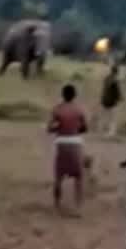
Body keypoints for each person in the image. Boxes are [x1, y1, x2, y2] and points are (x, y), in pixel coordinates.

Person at [48, 84, 88, 217]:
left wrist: (59, 127)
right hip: (75, 143)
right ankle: (79, 208)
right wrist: (75, 128)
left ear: (62, 95)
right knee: (79, 177)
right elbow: (84, 128)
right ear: (74, 95)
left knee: (58, 177)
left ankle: (57, 205)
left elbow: (50, 128)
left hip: (62, 144)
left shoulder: (57, 109)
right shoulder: (79, 110)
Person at [97, 64, 122, 137]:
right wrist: (120, 98)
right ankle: (110, 133)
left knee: (103, 116)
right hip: (112, 102)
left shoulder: (106, 78)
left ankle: (100, 131)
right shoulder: (116, 80)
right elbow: (117, 92)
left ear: (111, 70)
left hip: (104, 100)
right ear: (117, 72)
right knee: (112, 118)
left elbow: (104, 89)